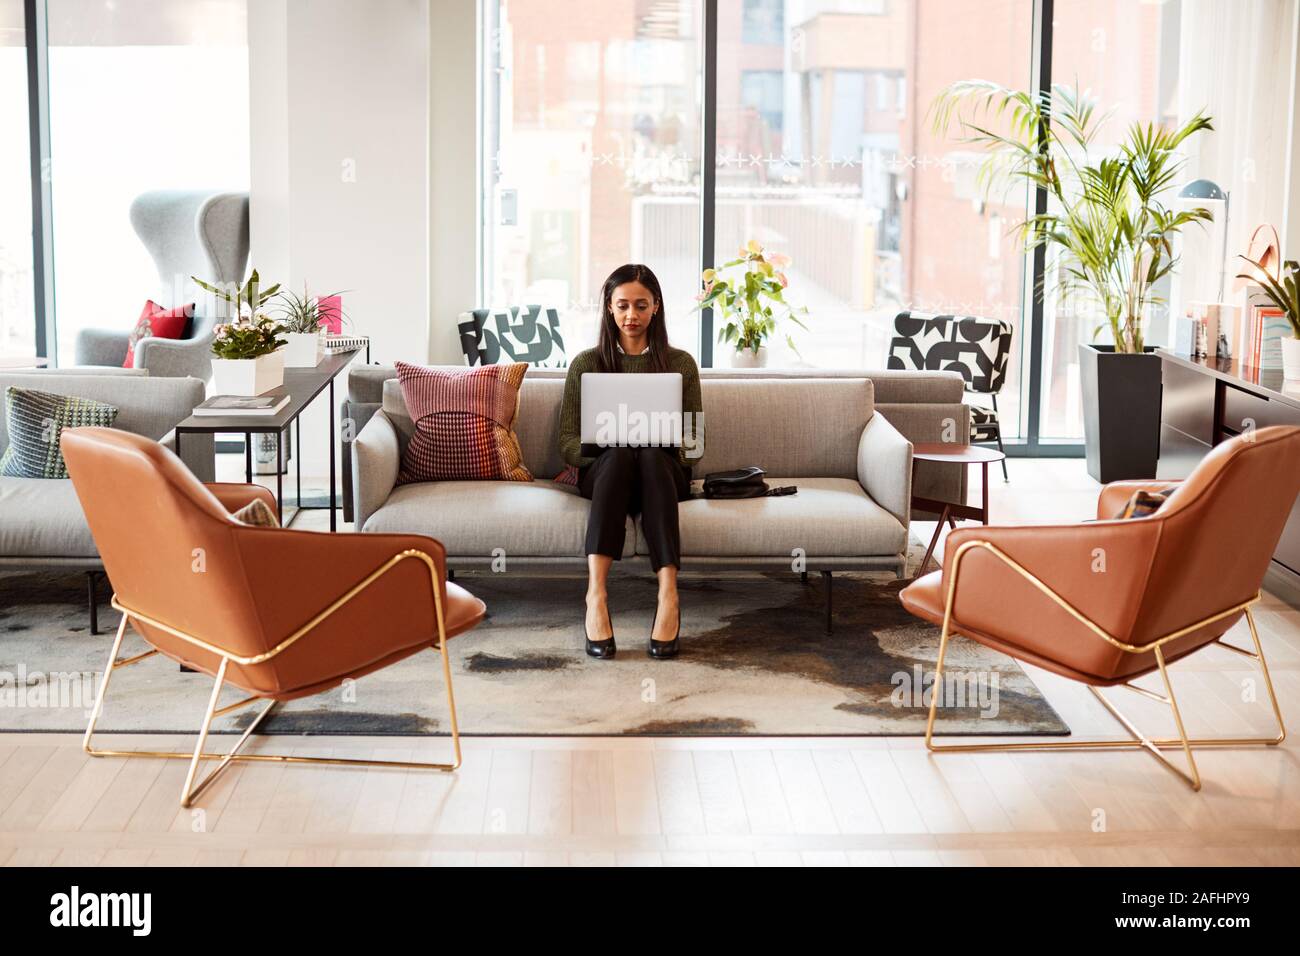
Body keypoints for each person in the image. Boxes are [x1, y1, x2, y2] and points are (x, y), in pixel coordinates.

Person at [557, 263, 704, 660]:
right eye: (622, 305)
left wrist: (669, 437)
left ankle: (669, 594)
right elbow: (567, 443)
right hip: (608, 472)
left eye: (641, 305)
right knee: (621, 453)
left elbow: (695, 446)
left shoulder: (681, 364)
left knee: (652, 456)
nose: (631, 315)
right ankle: (596, 595)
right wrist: (598, 445)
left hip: (661, 472)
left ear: (656, 307)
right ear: (608, 307)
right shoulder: (586, 364)